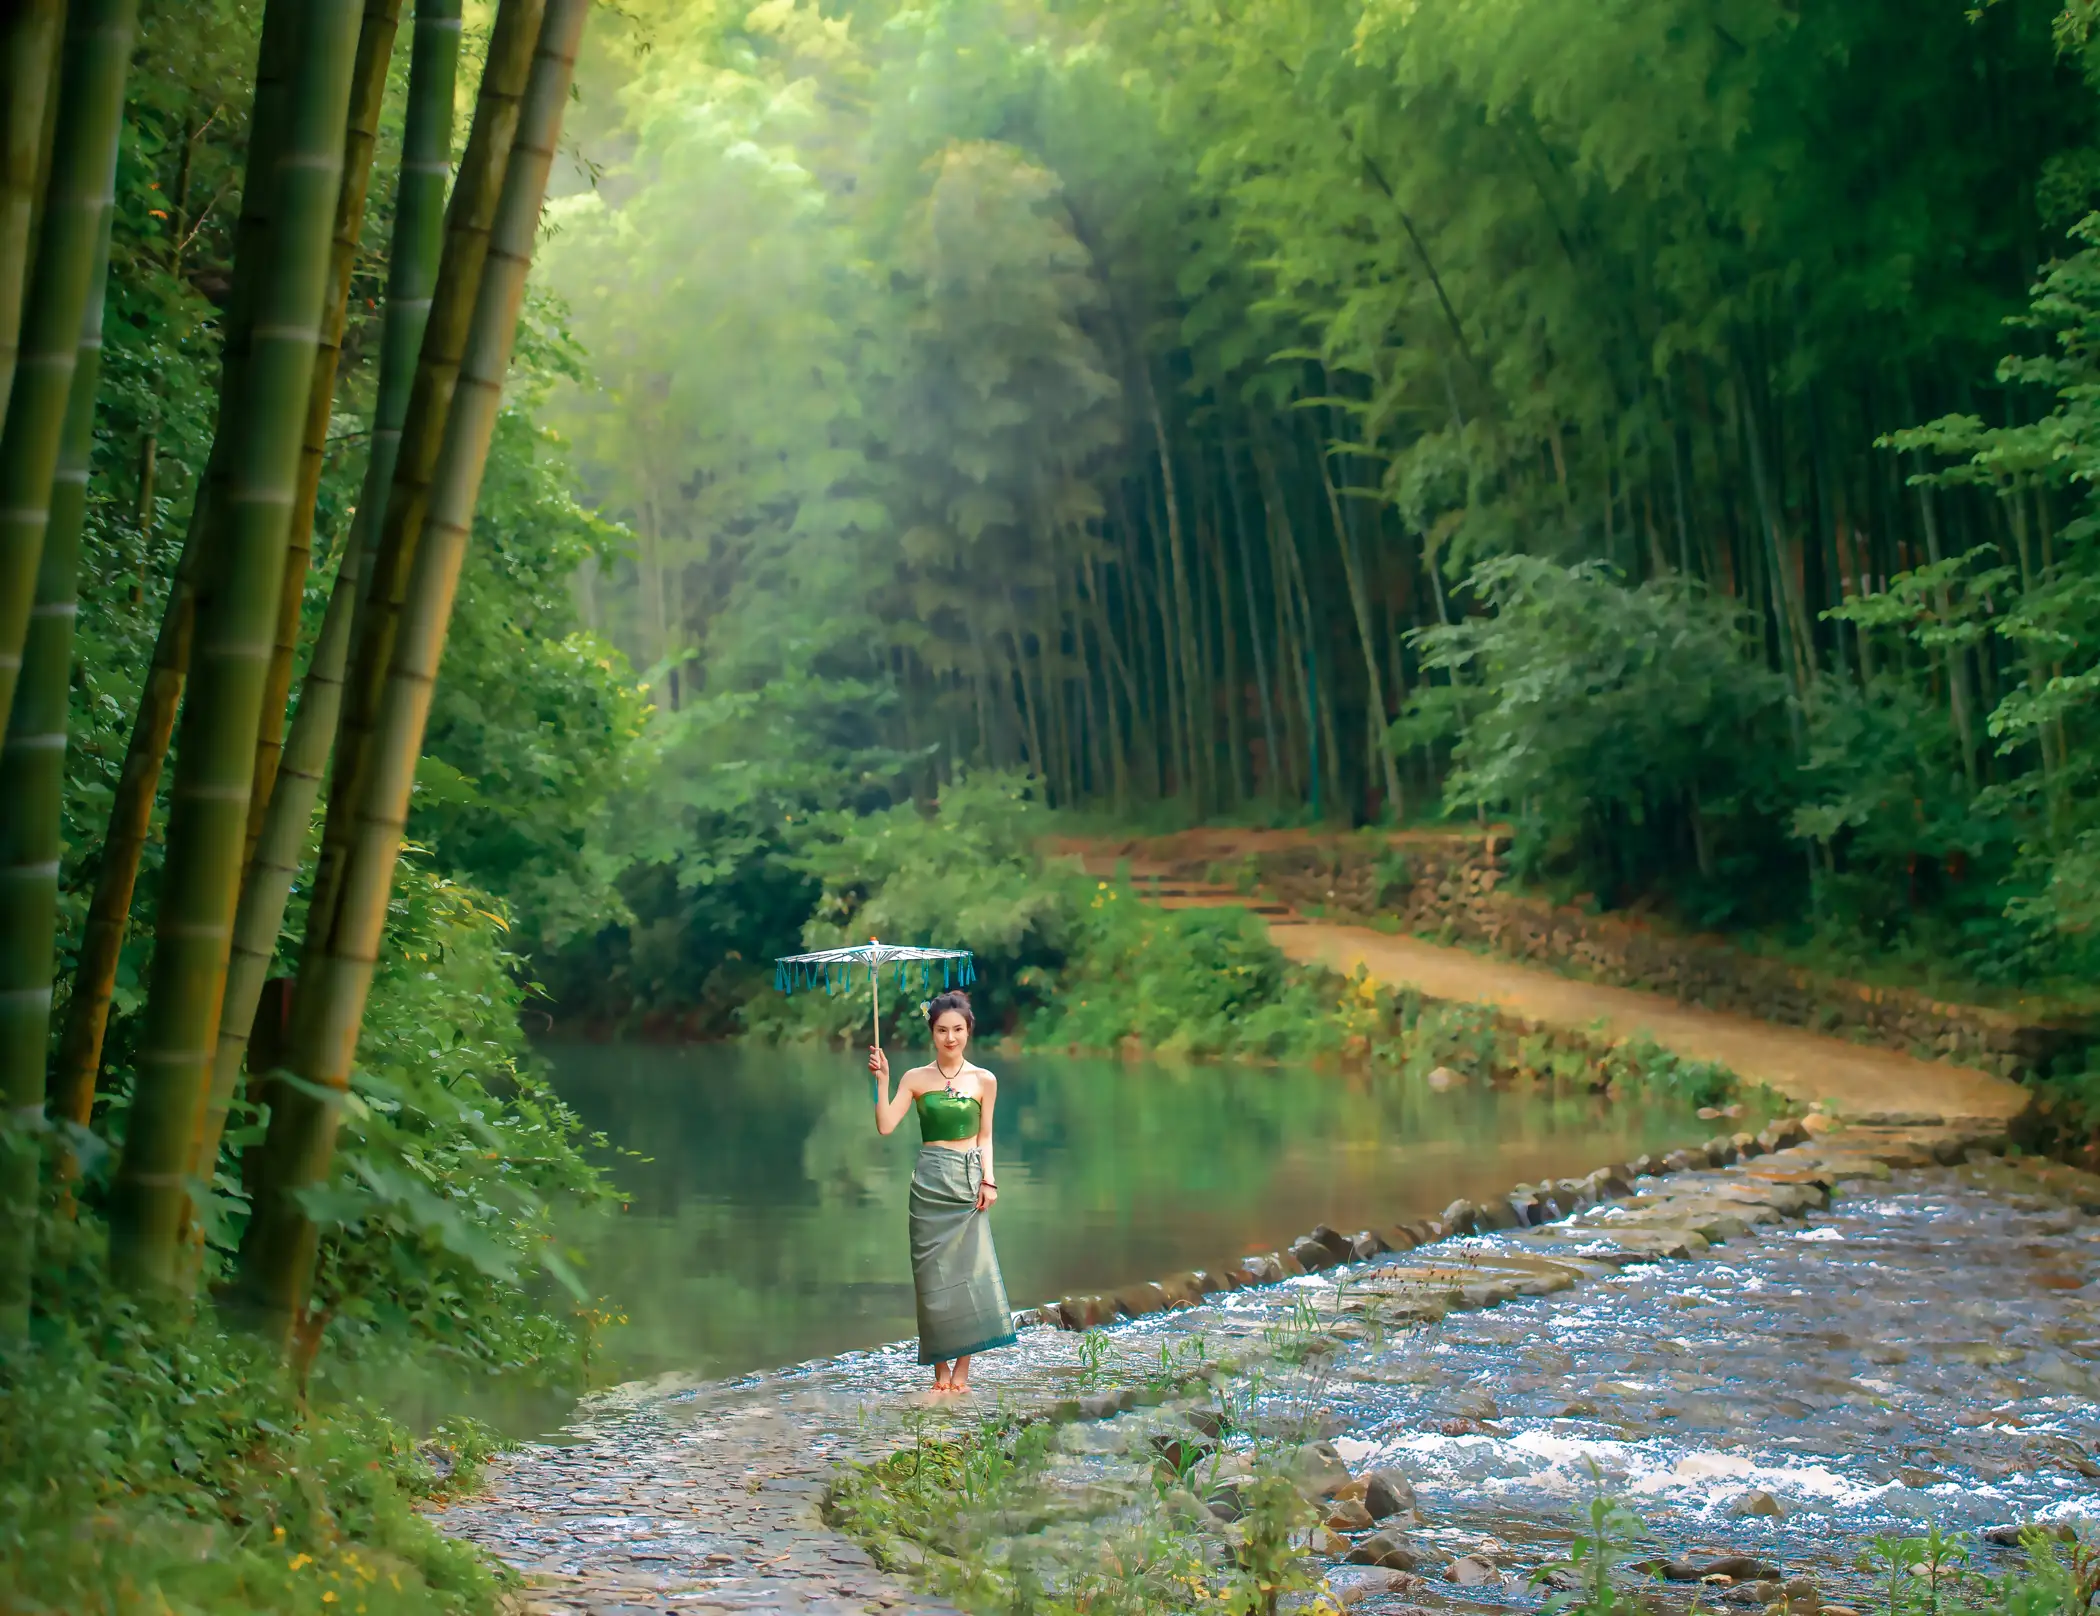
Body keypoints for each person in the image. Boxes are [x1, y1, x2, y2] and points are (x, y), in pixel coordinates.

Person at [868, 990, 1016, 1394]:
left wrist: (990, 1180)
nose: (950, 1038)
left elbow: (985, 1136)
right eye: (941, 1030)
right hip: (930, 1183)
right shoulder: (915, 1078)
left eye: (957, 1029)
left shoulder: (984, 1080)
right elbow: (885, 1125)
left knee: (971, 1274)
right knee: (931, 1279)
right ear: (931, 1032)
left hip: (968, 1181)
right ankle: (939, 1374)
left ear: (968, 1030)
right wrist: (882, 1080)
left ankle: (963, 1374)